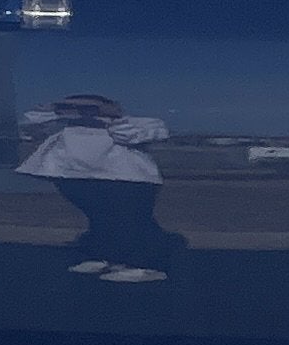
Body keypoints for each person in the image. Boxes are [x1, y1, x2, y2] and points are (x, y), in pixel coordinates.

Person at [17, 91, 179, 282]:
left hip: (127, 180)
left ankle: (147, 265)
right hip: (77, 178)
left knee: (130, 222)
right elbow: (28, 125)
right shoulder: (63, 126)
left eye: (90, 108)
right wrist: (56, 110)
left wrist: (110, 117)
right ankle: (106, 257)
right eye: (77, 108)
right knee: (101, 221)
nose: (84, 112)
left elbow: (134, 134)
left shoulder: (132, 122)